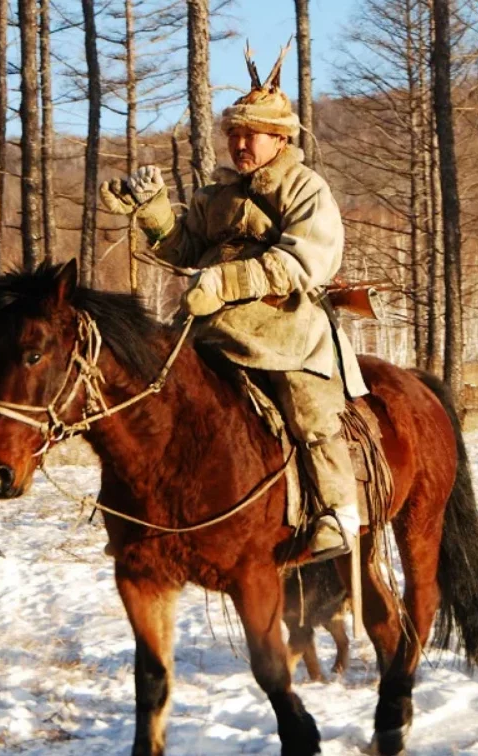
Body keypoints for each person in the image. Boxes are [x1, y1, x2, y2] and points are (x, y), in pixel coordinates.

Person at [99, 48, 366, 562]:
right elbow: (182, 249)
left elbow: (304, 263)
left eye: (252, 135)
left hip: (282, 330)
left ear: (280, 139)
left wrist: (223, 282)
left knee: (309, 410)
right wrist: (149, 210)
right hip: (204, 328)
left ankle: (338, 511)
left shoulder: (306, 189)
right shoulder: (214, 194)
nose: (240, 144)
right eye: (235, 135)